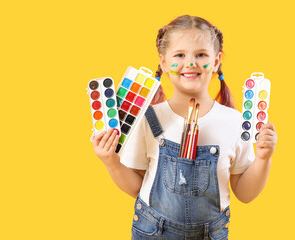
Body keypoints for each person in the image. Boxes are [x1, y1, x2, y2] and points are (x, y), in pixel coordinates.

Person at [92, 15, 277, 239]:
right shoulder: (150, 118)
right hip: (152, 232)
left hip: (211, 233)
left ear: (216, 61)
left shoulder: (234, 121)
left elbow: (245, 194)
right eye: (179, 55)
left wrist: (263, 158)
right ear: (163, 62)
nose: (190, 63)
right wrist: (110, 161)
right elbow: (137, 187)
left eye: (201, 55)